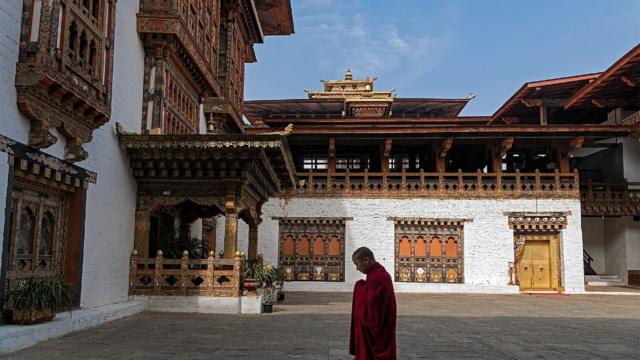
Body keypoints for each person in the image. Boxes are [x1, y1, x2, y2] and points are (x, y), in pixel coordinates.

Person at [349, 247, 397, 360]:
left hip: (379, 333)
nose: (357, 268)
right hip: (380, 329)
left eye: (357, 264)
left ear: (366, 260)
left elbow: (369, 308)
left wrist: (359, 286)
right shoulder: (377, 275)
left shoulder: (379, 277)